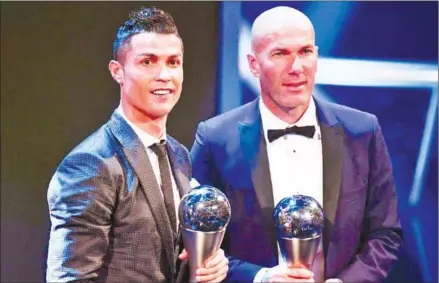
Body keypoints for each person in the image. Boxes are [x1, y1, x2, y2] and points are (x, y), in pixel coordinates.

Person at [191, 6, 402, 283]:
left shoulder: (363, 131)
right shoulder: (215, 138)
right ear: (254, 64)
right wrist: (261, 278)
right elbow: (195, 242)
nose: (296, 68)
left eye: (305, 52)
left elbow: (385, 234)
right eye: (280, 54)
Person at [46, 6, 228, 283]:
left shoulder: (178, 154)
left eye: (173, 62)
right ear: (117, 71)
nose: (164, 75)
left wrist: (208, 263)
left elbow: (168, 259)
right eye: (148, 62)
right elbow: (71, 278)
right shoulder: (90, 164)